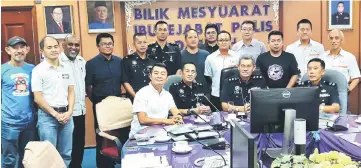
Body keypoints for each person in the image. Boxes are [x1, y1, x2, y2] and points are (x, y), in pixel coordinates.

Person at [32, 36, 74, 166]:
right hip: (48, 118)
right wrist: (55, 115)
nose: (53, 50)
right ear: (42, 51)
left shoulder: (66, 67)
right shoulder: (38, 70)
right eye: (49, 47)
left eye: (56, 46)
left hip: (67, 116)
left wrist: (70, 111)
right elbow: (38, 98)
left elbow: (71, 91)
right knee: (49, 154)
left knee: (66, 153)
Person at [85, 33, 126, 168]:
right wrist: (98, 103)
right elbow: (89, 87)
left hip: (118, 105)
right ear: (98, 46)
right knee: (103, 138)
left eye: (110, 44)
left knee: (120, 136)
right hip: (101, 106)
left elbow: (124, 81)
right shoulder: (91, 64)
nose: (108, 46)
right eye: (104, 44)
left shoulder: (120, 61)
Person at [1, 36, 35, 168]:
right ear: (8, 50)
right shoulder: (2, 70)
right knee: (9, 158)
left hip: (29, 122)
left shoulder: (33, 69)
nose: (19, 50)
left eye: (22, 47)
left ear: (27, 49)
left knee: (27, 158)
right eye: (15, 47)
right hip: (9, 123)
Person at [129, 63, 184, 137]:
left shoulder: (167, 95)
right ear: (150, 76)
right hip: (141, 135)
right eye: (156, 73)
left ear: (167, 78)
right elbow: (142, 120)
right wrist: (165, 121)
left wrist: (178, 117)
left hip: (161, 133)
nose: (159, 76)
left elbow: (175, 111)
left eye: (163, 74)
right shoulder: (142, 93)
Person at [60, 35, 86, 168]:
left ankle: (77, 165)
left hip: (81, 109)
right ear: (63, 45)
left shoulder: (82, 61)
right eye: (70, 44)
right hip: (66, 112)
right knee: (66, 146)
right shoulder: (58, 62)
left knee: (79, 142)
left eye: (77, 45)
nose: (74, 48)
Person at [204, 30, 240, 111]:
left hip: (234, 94)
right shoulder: (210, 58)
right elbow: (208, 76)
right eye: (221, 40)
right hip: (216, 95)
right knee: (217, 119)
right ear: (217, 42)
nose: (224, 42)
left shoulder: (237, 57)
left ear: (230, 41)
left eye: (226, 40)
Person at [321, 29, 360, 94]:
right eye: (331, 38)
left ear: (342, 40)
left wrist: (348, 90)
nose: (333, 41)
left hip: (341, 92)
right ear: (328, 40)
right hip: (324, 92)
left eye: (337, 38)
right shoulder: (322, 57)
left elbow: (356, 77)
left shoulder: (350, 57)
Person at [122, 33, 156, 101]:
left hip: (152, 98)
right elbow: (125, 82)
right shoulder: (127, 60)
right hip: (133, 98)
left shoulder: (154, 60)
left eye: (145, 42)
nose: (142, 45)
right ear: (134, 44)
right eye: (139, 43)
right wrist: (136, 97)